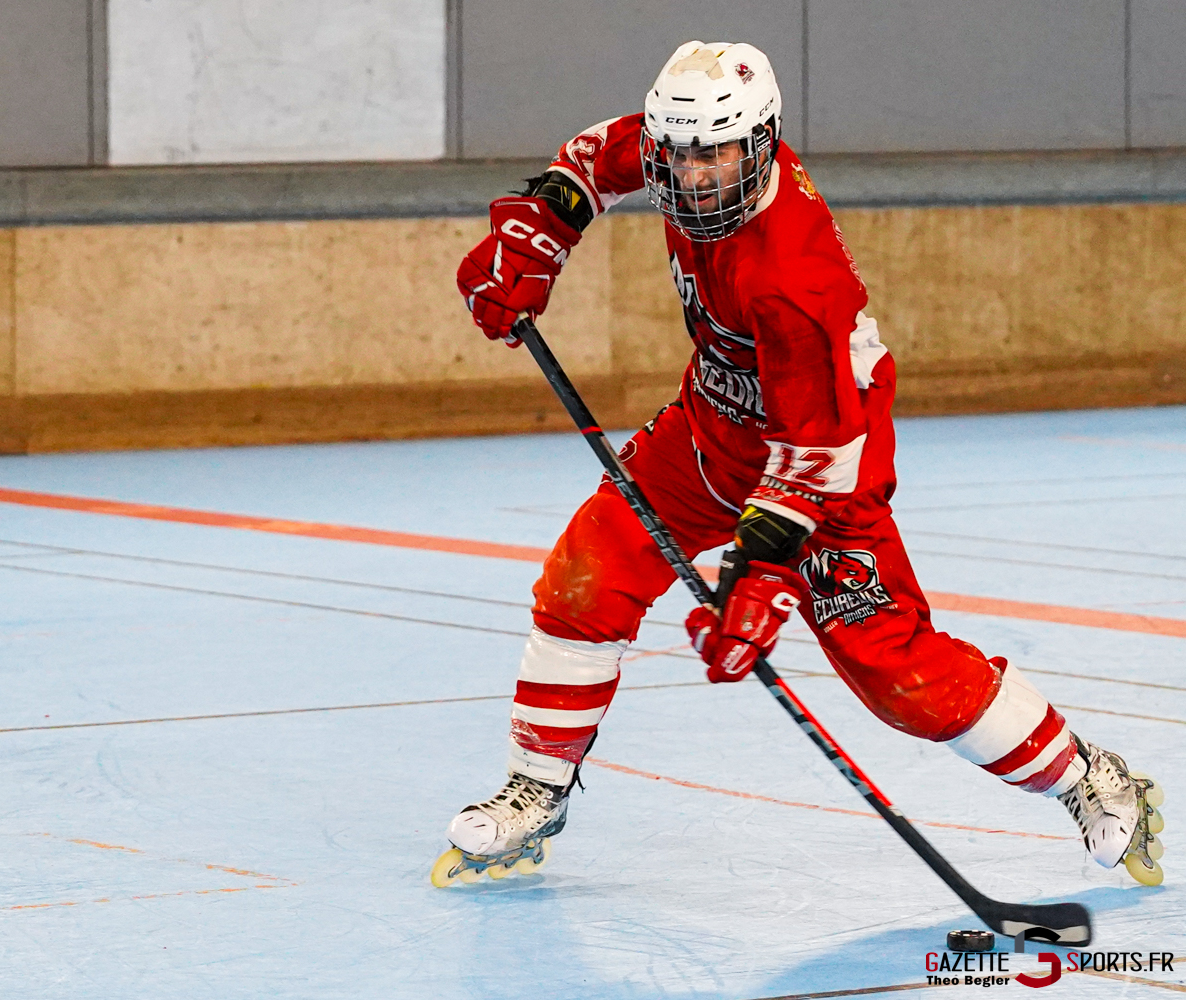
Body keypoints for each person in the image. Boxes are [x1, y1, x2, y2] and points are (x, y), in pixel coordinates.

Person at [433, 40, 1165, 888]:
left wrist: (761, 573)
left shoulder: (791, 274)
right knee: (586, 578)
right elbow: (598, 154)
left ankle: (1090, 777)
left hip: (828, 463)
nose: (695, 176)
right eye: (680, 154)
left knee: (900, 677)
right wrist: (539, 235)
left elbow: (814, 451)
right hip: (710, 432)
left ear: (764, 141)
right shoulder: (686, 146)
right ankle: (537, 790)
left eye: (716, 154)